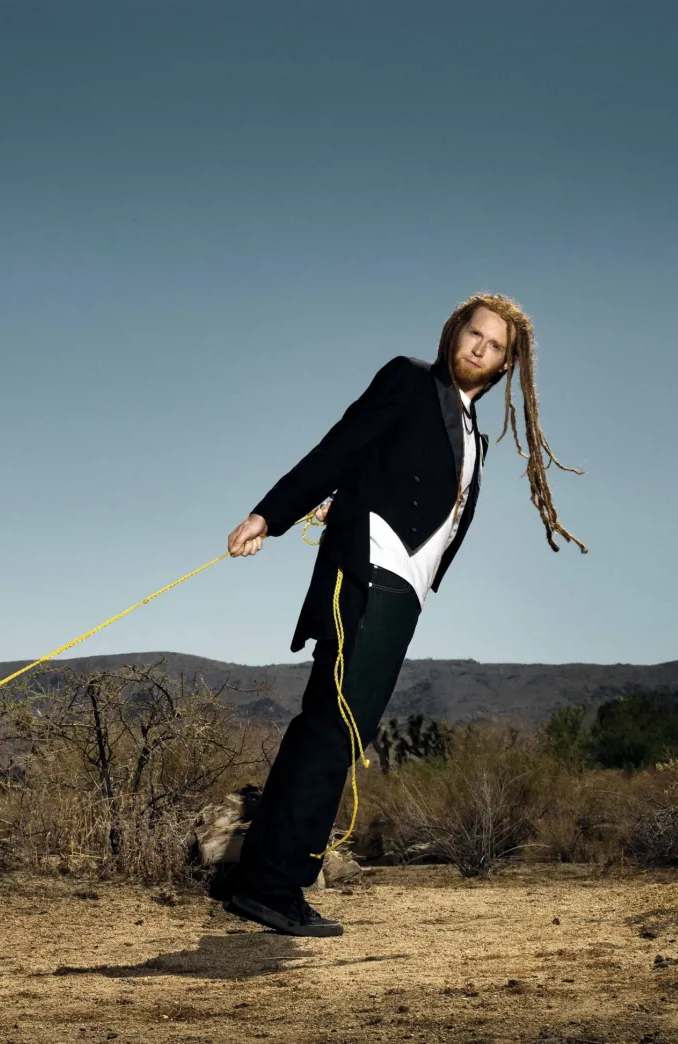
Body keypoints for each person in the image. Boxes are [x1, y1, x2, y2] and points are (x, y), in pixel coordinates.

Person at [213, 292, 586, 937]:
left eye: (496, 347)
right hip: (365, 569)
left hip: (402, 590)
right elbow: (340, 447)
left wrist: (357, 496)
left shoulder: (474, 434)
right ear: (454, 334)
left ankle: (265, 878)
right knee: (332, 725)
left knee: (337, 727)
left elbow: (392, 472)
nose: (481, 349)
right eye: (475, 335)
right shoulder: (410, 380)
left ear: (505, 366)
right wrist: (269, 515)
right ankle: (274, 887)